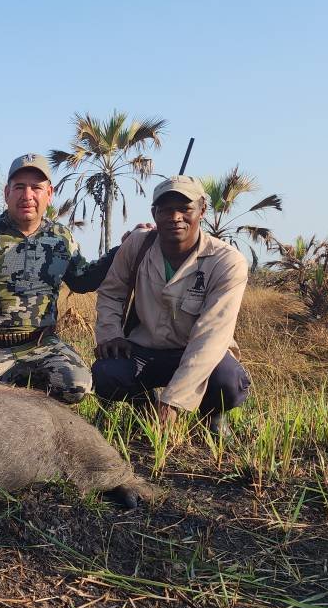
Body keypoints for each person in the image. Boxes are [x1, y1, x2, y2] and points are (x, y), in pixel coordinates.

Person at [92, 175, 251, 433]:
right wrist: (111, 334)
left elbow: (210, 337)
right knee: (107, 372)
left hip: (194, 350)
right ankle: (143, 408)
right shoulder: (138, 244)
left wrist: (173, 403)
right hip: (145, 350)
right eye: (165, 209)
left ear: (202, 210)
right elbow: (112, 293)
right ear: (154, 213)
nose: (174, 216)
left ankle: (213, 418)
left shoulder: (227, 262)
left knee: (228, 382)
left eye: (185, 208)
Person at [0, 153, 117, 403]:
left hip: (43, 344)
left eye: (36, 188)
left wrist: (120, 251)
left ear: (49, 194)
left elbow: (83, 281)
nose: (27, 195)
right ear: (7, 192)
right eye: (19, 187)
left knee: (77, 385)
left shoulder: (62, 237)